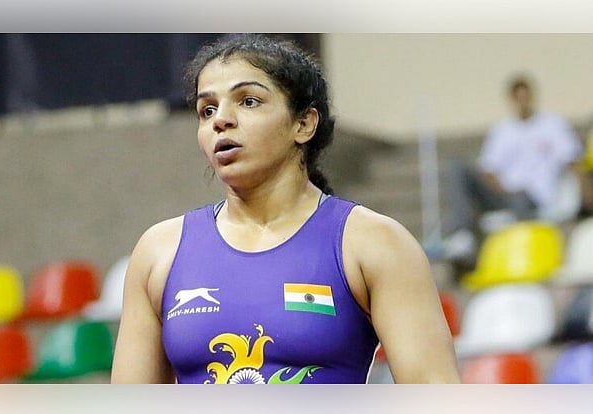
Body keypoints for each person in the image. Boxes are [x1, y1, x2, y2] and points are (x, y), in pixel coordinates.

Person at [111, 34, 460, 384]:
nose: (221, 120)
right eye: (208, 110)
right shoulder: (159, 252)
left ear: (304, 123)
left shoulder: (375, 243)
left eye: (248, 101)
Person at [442, 74, 592, 261]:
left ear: (531, 96)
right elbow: (488, 169)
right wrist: (502, 190)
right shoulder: (502, 130)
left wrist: (585, 193)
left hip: (535, 197)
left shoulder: (552, 124)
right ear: (511, 100)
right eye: (518, 98)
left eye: (525, 97)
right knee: (457, 167)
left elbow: (573, 160)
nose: (523, 102)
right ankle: (461, 233)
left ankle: (523, 255)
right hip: (505, 194)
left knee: (520, 197)